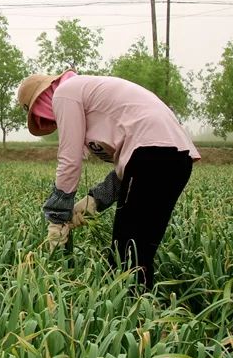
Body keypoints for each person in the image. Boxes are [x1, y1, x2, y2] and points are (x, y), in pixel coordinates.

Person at [17, 70, 200, 290]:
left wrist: (57, 216)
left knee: (126, 255)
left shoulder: (65, 93)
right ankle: (143, 314)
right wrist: (95, 201)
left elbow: (69, 159)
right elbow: (130, 167)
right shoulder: (91, 95)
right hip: (177, 161)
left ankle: (132, 316)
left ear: (41, 102)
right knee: (138, 250)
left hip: (155, 157)